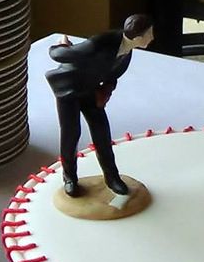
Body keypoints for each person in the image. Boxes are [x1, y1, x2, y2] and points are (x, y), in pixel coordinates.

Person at [45, 14, 154, 197]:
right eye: (149, 34)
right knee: (71, 134)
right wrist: (60, 45)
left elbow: (112, 75)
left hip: (91, 90)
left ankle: (112, 178)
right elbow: (64, 55)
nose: (152, 37)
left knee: (102, 134)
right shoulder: (101, 42)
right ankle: (69, 177)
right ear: (138, 37)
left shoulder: (128, 50)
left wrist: (106, 90)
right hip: (69, 89)